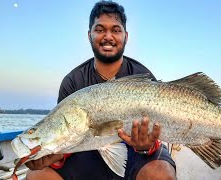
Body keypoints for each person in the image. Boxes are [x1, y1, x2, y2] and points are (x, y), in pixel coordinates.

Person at [25, 1, 176, 179]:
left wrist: (145, 146)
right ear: (89, 35)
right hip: (86, 153)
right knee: (37, 176)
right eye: (100, 29)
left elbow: (154, 133)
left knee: (160, 173)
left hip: (136, 152)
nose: (108, 36)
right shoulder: (73, 81)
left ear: (126, 36)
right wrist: (55, 155)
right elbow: (66, 138)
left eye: (116, 30)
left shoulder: (142, 75)